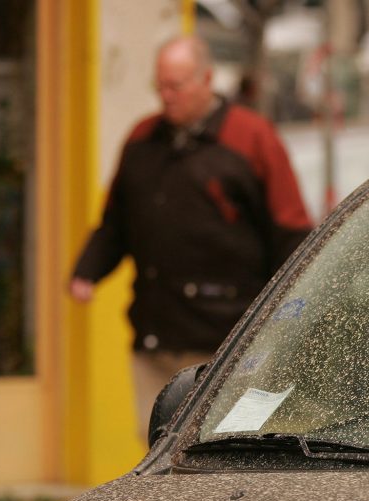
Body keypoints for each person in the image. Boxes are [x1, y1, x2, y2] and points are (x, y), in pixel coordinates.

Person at [70, 35, 312, 442]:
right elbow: (116, 224)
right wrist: (87, 271)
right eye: (160, 86)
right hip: (155, 335)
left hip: (226, 342)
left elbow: (290, 232)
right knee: (156, 450)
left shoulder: (252, 137)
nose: (166, 97)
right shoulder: (141, 140)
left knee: (220, 451)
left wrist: (287, 317)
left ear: (206, 79)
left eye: (176, 86)